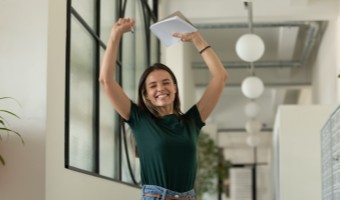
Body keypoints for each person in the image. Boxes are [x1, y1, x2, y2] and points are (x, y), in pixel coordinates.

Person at [99, 18, 228, 200]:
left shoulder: (192, 121)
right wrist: (115, 36)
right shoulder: (139, 120)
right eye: (153, 86)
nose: (160, 88)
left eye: (166, 82)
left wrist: (197, 40)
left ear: (175, 88)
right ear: (145, 94)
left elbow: (220, 77)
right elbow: (106, 81)